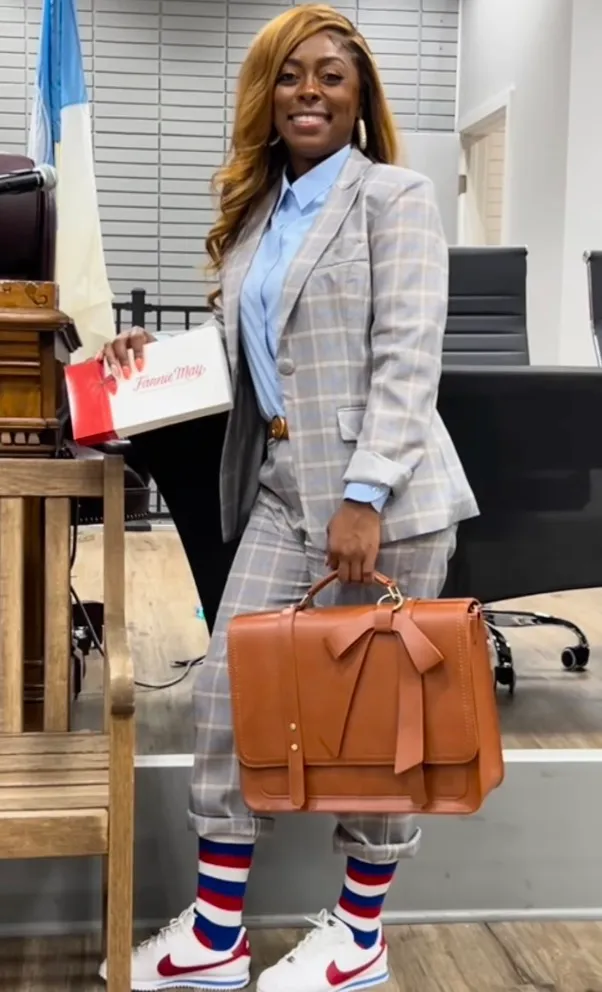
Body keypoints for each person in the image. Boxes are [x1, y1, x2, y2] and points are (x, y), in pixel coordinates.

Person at [98, 5, 478, 990]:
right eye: (289, 75)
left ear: (359, 101)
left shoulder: (394, 196)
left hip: (383, 502)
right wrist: (152, 360)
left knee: (381, 727)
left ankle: (357, 937)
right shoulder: (256, 217)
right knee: (226, 694)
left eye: (331, 76)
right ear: (266, 98)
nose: (309, 90)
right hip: (279, 492)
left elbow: (406, 359)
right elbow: (256, 366)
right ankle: (216, 935)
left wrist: (364, 493)